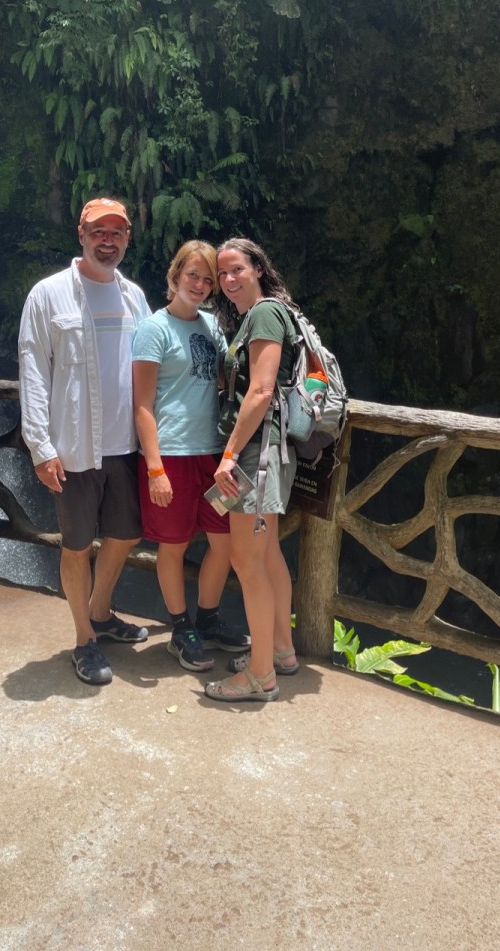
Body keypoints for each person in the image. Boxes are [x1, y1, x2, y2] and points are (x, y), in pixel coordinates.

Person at [18, 197, 152, 686]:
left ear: (127, 239)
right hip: (73, 449)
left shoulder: (134, 297)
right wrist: (40, 447)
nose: (107, 241)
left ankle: (100, 611)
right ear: (82, 235)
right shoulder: (48, 295)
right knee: (76, 546)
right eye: (99, 232)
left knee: (127, 534)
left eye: (117, 233)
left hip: (127, 446)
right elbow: (33, 371)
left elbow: (153, 367)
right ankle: (83, 639)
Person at [132, 241, 251, 672]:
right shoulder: (153, 329)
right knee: (174, 544)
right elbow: (142, 405)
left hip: (214, 456)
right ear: (175, 276)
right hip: (173, 455)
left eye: (207, 279)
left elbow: (224, 381)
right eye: (192, 275)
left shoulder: (212, 326)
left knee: (225, 541)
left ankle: (208, 619)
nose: (199, 285)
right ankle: (182, 630)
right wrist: (155, 469)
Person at [203, 238, 301, 703]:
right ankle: (280, 651)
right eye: (222, 273)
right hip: (269, 450)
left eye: (237, 269)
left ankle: (260, 675)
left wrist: (229, 454)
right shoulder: (266, 313)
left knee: (247, 563)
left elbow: (260, 392)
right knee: (268, 555)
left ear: (258, 268)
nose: (228, 280)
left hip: (255, 454)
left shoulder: (263, 314)